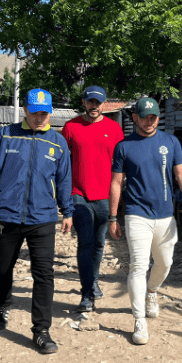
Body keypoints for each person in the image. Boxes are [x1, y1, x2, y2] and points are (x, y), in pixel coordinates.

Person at [0, 88, 74, 354]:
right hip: (8, 213)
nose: (40, 118)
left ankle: (41, 330)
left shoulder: (57, 142)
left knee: (44, 274)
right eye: (35, 112)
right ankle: (3, 304)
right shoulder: (6, 135)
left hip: (42, 216)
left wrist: (68, 210)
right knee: (3, 269)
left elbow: (64, 179)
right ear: (25, 110)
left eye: (45, 113)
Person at [108, 97, 182, 345]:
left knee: (166, 263)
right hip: (136, 214)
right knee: (138, 265)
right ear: (135, 117)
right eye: (145, 116)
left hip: (166, 215)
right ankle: (139, 321)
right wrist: (113, 217)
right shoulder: (124, 146)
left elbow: (181, 173)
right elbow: (116, 182)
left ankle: (152, 292)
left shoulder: (170, 141)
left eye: (154, 117)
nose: (149, 121)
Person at [62, 85, 124, 312]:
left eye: (98, 102)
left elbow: (121, 165)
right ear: (84, 102)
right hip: (79, 195)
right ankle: (87, 293)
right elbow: (61, 162)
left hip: (106, 197)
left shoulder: (115, 129)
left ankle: (94, 280)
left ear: (104, 103)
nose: (94, 106)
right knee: (85, 242)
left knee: (99, 243)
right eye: (90, 102)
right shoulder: (71, 127)